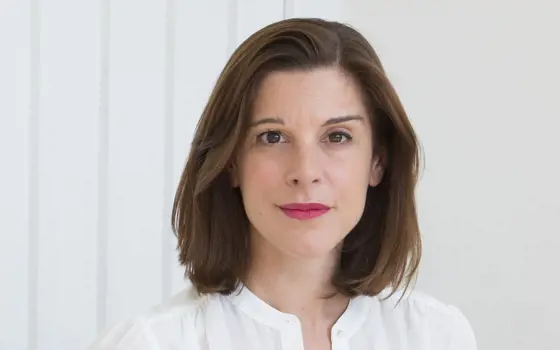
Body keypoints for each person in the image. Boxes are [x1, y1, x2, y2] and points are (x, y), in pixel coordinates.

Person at [89, 18, 476, 350]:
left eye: (337, 136)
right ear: (231, 164)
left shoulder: (436, 335)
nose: (305, 171)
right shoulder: (156, 343)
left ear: (377, 162)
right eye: (273, 137)